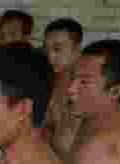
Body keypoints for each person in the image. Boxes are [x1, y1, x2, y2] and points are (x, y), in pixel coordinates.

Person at [42, 17, 84, 154]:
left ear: (77, 50)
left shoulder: (88, 89)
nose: (49, 57)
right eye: (46, 49)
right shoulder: (53, 81)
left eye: (57, 49)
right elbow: (47, 125)